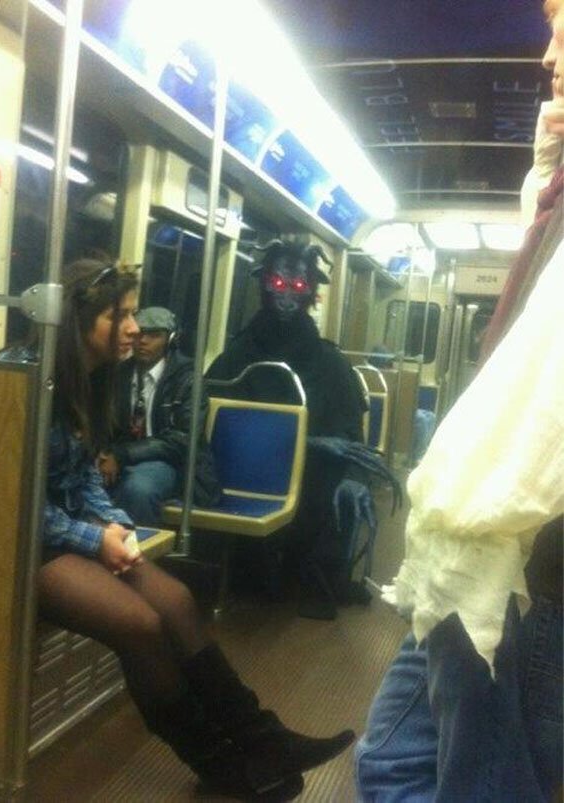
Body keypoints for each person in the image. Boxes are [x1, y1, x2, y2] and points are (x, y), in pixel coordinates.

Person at [0, 259, 355, 802]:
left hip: (73, 528)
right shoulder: (21, 381)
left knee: (178, 600)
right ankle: (217, 762)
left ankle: (265, 739)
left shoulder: (87, 384)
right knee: (139, 624)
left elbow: (85, 475)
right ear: (78, 320)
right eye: (120, 316)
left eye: (135, 315)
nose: (135, 328)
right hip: (24, 544)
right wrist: (96, 539)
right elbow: (14, 504)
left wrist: (115, 523)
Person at [354, 4, 564, 801]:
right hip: (481, 552)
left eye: (563, 36)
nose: (546, 58)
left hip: (521, 559)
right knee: (393, 764)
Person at [207, 239, 401, 620]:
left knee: (339, 485)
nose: (287, 296)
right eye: (278, 284)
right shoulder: (241, 352)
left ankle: (315, 578)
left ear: (311, 292)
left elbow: (350, 437)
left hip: (314, 475)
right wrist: (300, 441)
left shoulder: (328, 361)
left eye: (297, 287)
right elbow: (216, 416)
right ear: (264, 284)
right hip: (250, 471)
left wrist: (354, 475)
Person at [97, 306, 220, 527]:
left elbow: (183, 439)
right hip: (122, 456)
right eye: (139, 334)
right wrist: (101, 454)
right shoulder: (119, 374)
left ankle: (134, 556)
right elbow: (106, 423)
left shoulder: (189, 380)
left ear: (170, 340)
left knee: (138, 488)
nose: (143, 341)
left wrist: (122, 454)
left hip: (172, 463)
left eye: (154, 335)